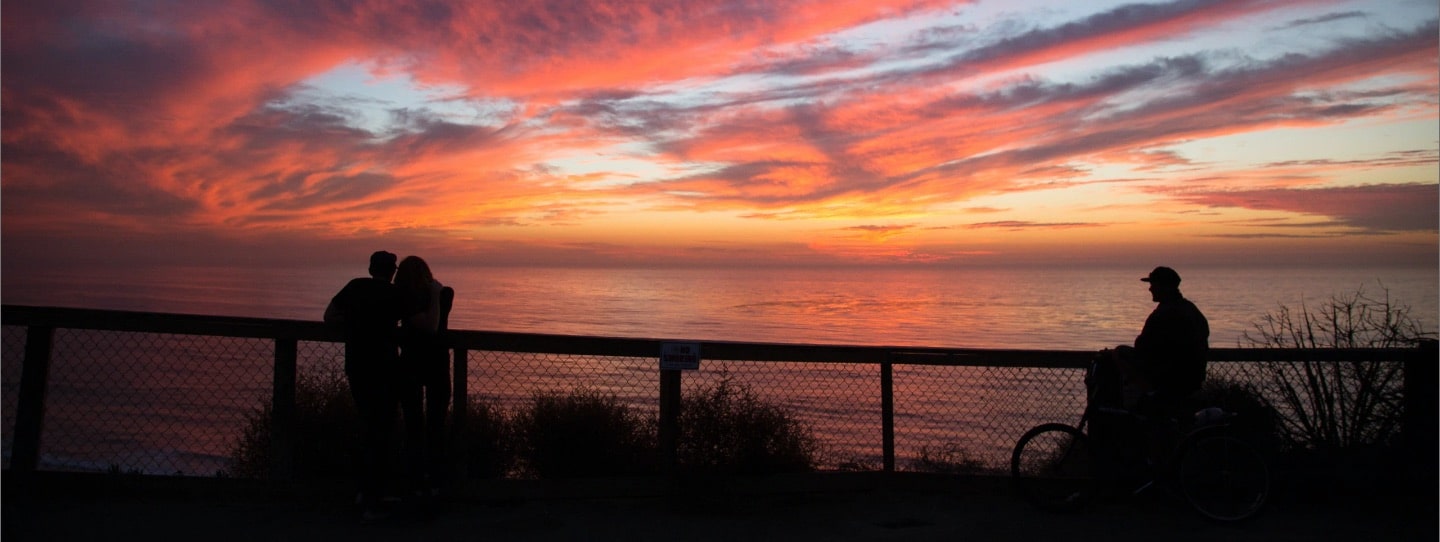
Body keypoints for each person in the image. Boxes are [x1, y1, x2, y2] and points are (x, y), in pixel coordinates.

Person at [324, 251, 406, 522]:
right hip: (385, 368)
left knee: (368, 426)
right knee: (382, 430)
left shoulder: (355, 287)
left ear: (371, 268)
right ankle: (372, 499)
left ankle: (365, 492)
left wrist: (354, 326)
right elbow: (411, 324)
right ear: (392, 271)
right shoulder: (395, 294)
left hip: (357, 366)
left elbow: (329, 317)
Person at [393, 255, 454, 499]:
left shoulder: (405, 301)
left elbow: (430, 325)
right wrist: (436, 297)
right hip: (434, 364)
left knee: (416, 426)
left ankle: (419, 481)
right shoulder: (441, 294)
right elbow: (432, 326)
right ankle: (431, 482)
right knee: (432, 425)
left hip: (413, 364)